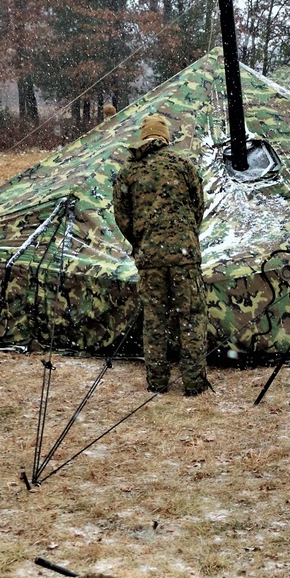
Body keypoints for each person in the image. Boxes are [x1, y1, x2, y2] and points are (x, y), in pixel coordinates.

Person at [112, 113, 209, 396]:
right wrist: (185, 236)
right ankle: (193, 384)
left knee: (155, 319)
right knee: (191, 317)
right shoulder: (183, 164)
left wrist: (143, 241)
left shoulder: (129, 171)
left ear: (144, 136)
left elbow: (122, 218)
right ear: (166, 136)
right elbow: (197, 206)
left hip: (150, 258)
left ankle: (157, 383)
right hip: (185, 256)